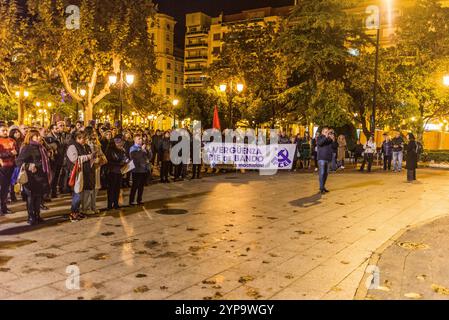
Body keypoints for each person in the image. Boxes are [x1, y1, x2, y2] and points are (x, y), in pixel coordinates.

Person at [15, 130, 51, 225]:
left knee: (38, 196)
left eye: (39, 136)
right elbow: (18, 161)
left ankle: (37, 215)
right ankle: (31, 217)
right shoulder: (27, 147)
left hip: (40, 176)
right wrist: (29, 166)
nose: (39, 137)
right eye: (37, 136)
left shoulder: (41, 147)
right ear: (31, 137)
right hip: (31, 177)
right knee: (31, 197)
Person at [66, 132, 95, 221]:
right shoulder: (72, 147)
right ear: (77, 138)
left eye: (85, 138)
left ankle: (78, 212)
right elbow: (75, 159)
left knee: (81, 193)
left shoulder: (85, 146)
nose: (84, 140)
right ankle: (73, 213)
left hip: (85, 172)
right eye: (82, 138)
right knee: (77, 194)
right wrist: (88, 157)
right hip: (77, 173)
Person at [83, 127, 107, 215]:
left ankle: (93, 205)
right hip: (90, 168)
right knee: (89, 188)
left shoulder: (97, 143)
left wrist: (102, 158)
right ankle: (86, 207)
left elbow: (101, 153)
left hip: (97, 167)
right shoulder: (87, 144)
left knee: (96, 188)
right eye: (92, 132)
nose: (95, 133)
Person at [106, 135, 128, 210]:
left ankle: (116, 203)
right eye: (119, 142)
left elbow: (124, 158)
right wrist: (120, 163)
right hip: (112, 171)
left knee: (118, 188)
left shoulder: (122, 150)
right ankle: (109, 204)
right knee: (111, 188)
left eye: (121, 142)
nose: (120, 144)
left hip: (119, 171)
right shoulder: (110, 150)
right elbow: (110, 161)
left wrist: (125, 161)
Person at [129, 134, 152, 206]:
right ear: (134, 140)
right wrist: (142, 150)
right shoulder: (133, 148)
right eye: (139, 139)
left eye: (141, 139)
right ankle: (131, 201)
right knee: (135, 186)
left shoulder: (143, 148)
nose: (141, 140)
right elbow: (135, 157)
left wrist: (149, 150)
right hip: (136, 170)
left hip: (143, 169)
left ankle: (139, 199)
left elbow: (149, 157)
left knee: (141, 186)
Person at [0, 125, 17, 215]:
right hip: (2, 167)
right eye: (3, 130)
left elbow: (15, 151)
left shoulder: (12, 140)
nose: (6, 132)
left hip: (11, 167)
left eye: (6, 130)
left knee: (6, 189)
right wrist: (9, 153)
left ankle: (4, 207)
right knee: (1, 188)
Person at [8, 127, 23, 203]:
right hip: (13, 163)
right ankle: (12, 195)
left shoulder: (21, 141)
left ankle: (15, 194)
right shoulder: (11, 141)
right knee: (12, 179)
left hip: (19, 162)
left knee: (17, 179)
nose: (18, 133)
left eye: (18, 132)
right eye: (15, 132)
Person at [317, 127, 333, 194]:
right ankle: (321, 188)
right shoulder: (319, 137)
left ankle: (323, 187)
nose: (327, 132)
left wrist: (332, 138)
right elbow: (320, 143)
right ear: (322, 132)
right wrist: (326, 136)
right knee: (322, 173)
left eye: (328, 131)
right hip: (321, 158)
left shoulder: (329, 138)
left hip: (328, 158)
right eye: (326, 131)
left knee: (326, 174)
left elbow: (334, 146)